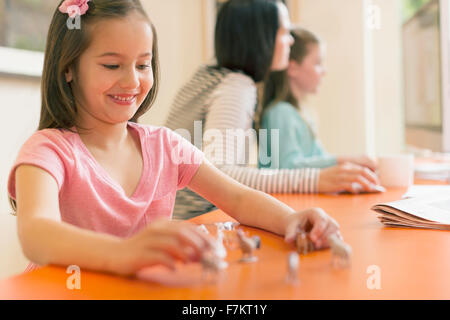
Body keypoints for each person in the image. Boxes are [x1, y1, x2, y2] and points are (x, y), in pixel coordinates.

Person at [7, 0, 340, 277]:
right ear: (68, 69)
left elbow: (238, 199)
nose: (132, 80)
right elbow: (36, 234)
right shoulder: (48, 150)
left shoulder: (165, 145)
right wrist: (124, 254)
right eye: (111, 65)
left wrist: (291, 219)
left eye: (143, 64)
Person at [165, 0, 381, 220]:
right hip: (195, 220)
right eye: (285, 32)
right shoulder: (235, 87)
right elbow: (220, 172)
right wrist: (316, 180)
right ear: (261, 38)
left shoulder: (208, 77)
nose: (290, 40)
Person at [260, 27, 382, 195]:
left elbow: (317, 159)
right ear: (293, 68)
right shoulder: (280, 113)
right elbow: (286, 167)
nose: (324, 71)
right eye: (318, 63)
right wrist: (343, 160)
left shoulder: (300, 114)